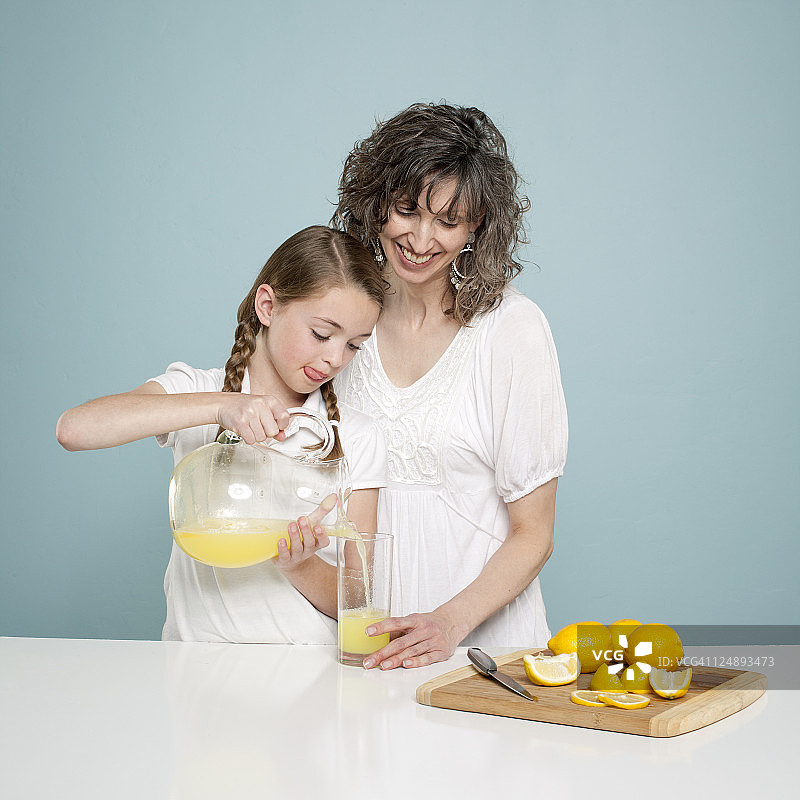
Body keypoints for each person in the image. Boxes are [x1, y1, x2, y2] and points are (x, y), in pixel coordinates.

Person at [56, 225, 387, 643]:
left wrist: (300, 565)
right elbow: (74, 429)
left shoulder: (355, 435)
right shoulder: (197, 392)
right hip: (195, 675)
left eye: (354, 345)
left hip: (307, 681)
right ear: (267, 306)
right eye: (322, 334)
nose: (336, 358)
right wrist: (220, 406)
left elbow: (359, 602)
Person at [332, 102, 568, 669]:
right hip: (368, 652)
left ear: (479, 225)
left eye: (447, 220)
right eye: (406, 209)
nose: (420, 237)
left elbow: (534, 533)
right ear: (376, 203)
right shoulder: (343, 319)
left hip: (484, 653)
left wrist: (446, 624)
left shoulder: (512, 331)